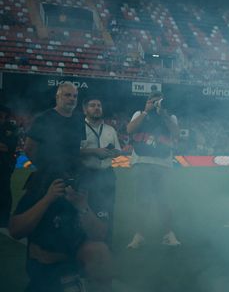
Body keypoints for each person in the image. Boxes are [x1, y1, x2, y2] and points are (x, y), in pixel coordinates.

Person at [9, 170, 112, 292]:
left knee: (99, 251)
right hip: (45, 260)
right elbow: (15, 230)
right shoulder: (42, 181)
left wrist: (82, 205)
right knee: (44, 254)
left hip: (76, 255)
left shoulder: (90, 184)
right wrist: (48, 199)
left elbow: (100, 233)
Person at [125, 92, 182, 248]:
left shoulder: (171, 117)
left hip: (163, 164)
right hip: (141, 161)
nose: (157, 104)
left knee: (164, 202)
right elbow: (129, 129)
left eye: (160, 102)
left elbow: (177, 134)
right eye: (154, 101)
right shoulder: (139, 113)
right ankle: (139, 235)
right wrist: (145, 112)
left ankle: (168, 234)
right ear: (148, 102)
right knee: (141, 202)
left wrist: (163, 115)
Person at [80, 95, 122, 244]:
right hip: (87, 175)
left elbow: (118, 150)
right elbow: (73, 151)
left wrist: (113, 153)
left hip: (107, 174)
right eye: (92, 105)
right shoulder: (79, 127)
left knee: (108, 208)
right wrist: (95, 151)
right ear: (85, 110)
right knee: (87, 208)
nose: (97, 108)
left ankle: (107, 243)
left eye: (99, 105)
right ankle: (86, 243)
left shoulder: (110, 129)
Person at [24, 82, 85, 178]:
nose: (72, 99)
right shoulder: (43, 118)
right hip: (48, 177)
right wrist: (45, 169)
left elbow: (79, 149)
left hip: (73, 175)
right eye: (67, 95)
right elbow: (29, 149)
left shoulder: (79, 119)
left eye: (75, 96)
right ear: (58, 97)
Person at [0, 105, 19, 228]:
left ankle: (4, 219)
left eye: (2, 116)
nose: (1, 119)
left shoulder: (10, 129)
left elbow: (7, 147)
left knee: (4, 191)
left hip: (5, 165)